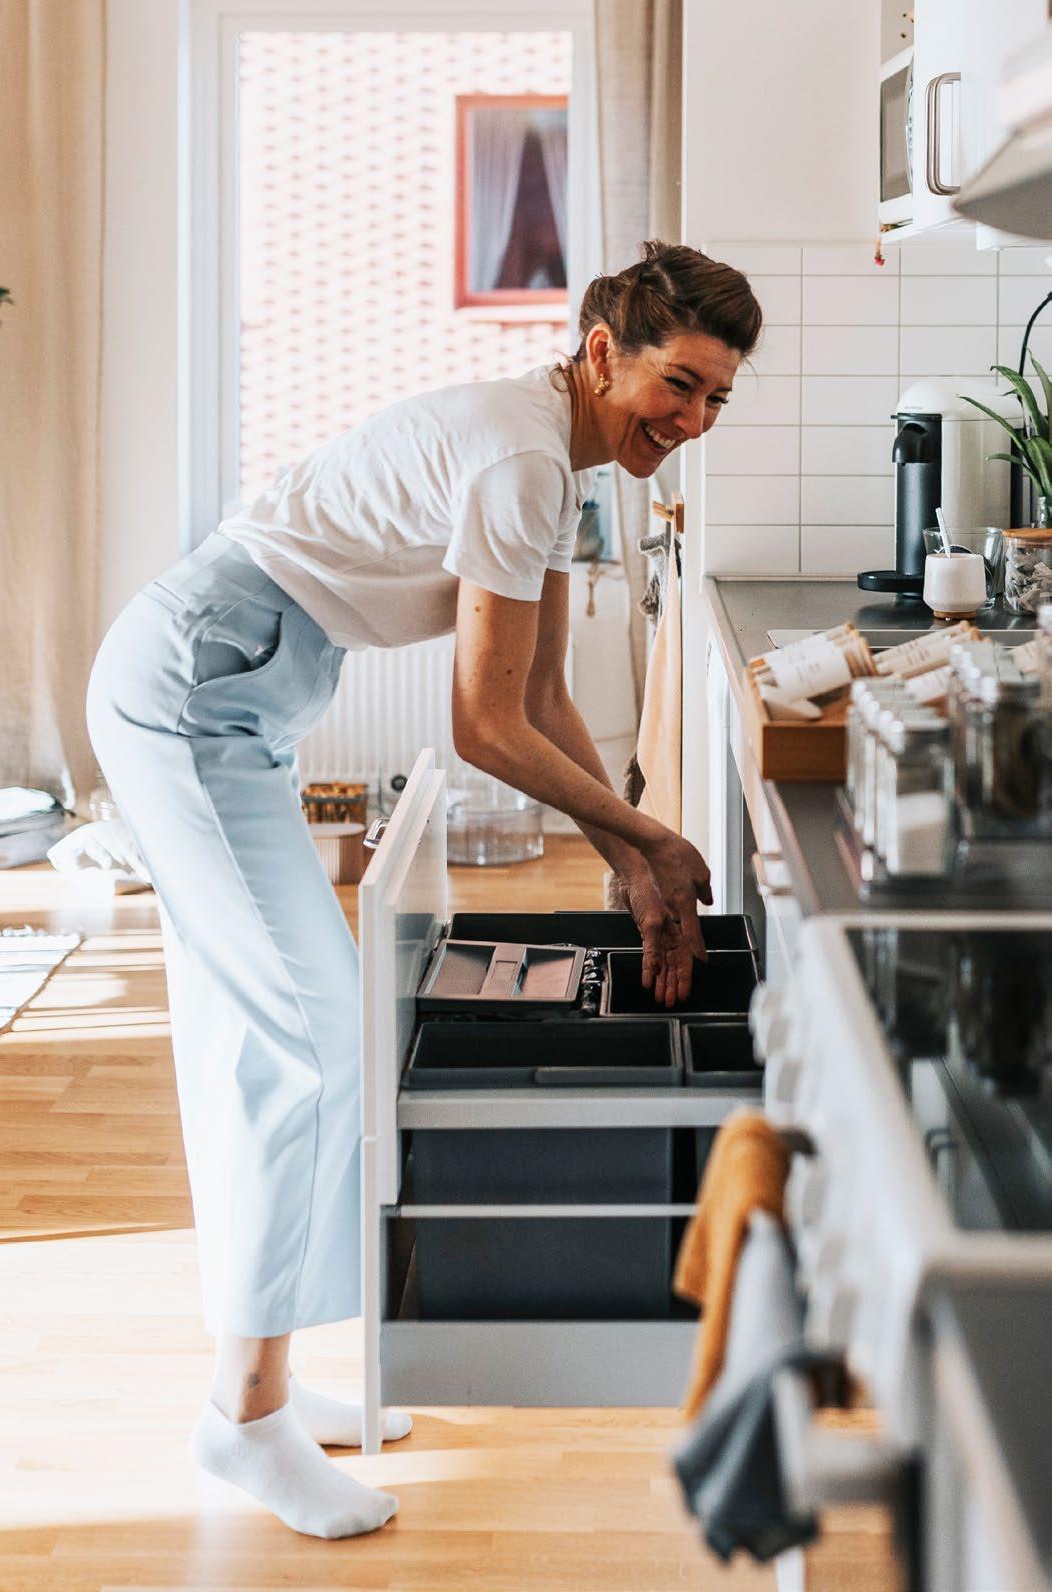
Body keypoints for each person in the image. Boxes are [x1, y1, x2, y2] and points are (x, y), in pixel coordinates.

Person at [86, 240, 762, 1541]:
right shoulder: (522, 459)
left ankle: (261, 1382)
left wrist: (632, 856)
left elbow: (545, 697)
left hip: (237, 696)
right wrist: (650, 838)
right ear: (603, 355)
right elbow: (482, 726)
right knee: (314, 1045)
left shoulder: (555, 460)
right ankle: (243, 1417)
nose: (692, 421)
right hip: (191, 691)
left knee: (271, 1044)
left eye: (716, 398)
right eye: (678, 386)